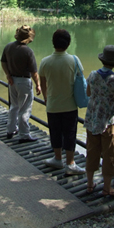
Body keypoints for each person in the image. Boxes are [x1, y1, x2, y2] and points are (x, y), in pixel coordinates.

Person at [38, 29, 86, 175]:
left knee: (55, 132)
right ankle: (70, 163)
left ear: (53, 43)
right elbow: (81, 80)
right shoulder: (74, 60)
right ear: (68, 43)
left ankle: (58, 159)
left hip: (52, 105)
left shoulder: (45, 61)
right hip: (70, 105)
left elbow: (43, 83)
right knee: (70, 133)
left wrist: (46, 98)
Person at [84, 45, 114, 197]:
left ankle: (89, 185)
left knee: (91, 151)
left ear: (102, 60)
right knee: (109, 154)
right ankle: (107, 188)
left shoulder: (93, 75)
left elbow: (88, 92)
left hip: (92, 119)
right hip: (109, 122)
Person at [1, 25, 42, 143]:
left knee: (14, 106)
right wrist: (38, 84)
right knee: (25, 109)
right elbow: (34, 72)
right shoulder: (28, 51)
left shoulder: (8, 46)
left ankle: (11, 129)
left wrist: (8, 74)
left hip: (12, 81)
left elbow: (3, 61)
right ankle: (24, 134)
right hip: (24, 81)